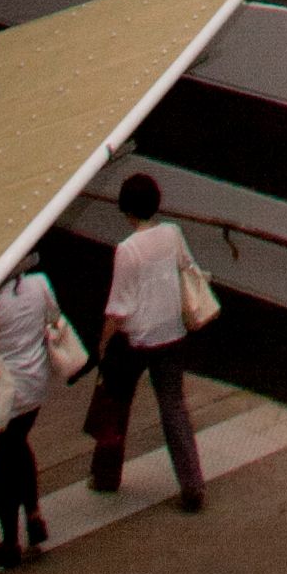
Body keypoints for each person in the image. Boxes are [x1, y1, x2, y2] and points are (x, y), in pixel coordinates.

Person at [83, 167, 208, 509]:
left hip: (136, 341)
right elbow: (187, 268)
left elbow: (119, 307)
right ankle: (192, 483)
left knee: (116, 407)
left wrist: (103, 342)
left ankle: (106, 476)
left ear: (127, 208)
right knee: (174, 409)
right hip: (172, 333)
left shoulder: (127, 250)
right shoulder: (172, 233)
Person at [0, 255, 78, 567]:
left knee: (1, 463)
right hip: (35, 385)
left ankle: (11, 541)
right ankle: (34, 515)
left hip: (3, 393)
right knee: (19, 446)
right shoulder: (39, 284)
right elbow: (54, 315)